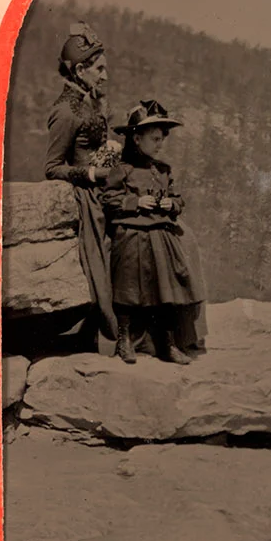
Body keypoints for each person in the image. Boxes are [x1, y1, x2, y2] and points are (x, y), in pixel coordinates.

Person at [101, 100, 205, 365]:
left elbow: (178, 199)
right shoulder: (122, 170)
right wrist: (135, 203)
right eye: (154, 139)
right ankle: (125, 341)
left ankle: (167, 343)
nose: (160, 145)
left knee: (167, 286)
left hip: (161, 234)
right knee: (128, 286)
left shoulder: (163, 171)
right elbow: (108, 199)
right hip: (131, 232)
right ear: (137, 138)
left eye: (162, 139)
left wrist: (172, 205)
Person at [44, 22, 119, 344]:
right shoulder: (65, 111)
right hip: (87, 196)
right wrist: (92, 174)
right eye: (99, 69)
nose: (105, 76)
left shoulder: (89, 102)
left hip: (105, 186)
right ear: (78, 70)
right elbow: (52, 168)